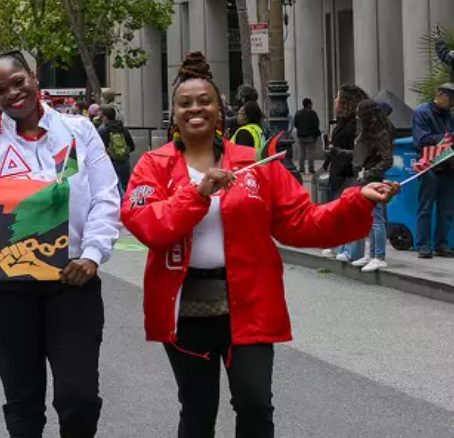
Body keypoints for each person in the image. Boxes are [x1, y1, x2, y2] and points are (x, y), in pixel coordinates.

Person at [121, 51, 397, 438]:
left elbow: (301, 221)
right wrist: (197, 194)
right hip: (185, 311)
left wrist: (357, 200)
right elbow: (147, 225)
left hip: (250, 303)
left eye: (204, 101)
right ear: (174, 115)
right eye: (185, 103)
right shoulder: (153, 165)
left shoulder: (254, 163)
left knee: (255, 403)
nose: (195, 108)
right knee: (197, 409)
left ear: (220, 110)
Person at [0, 50, 120, 438]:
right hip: (4, 286)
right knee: (23, 401)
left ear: (33, 77)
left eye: (18, 82)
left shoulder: (80, 131)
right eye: (1, 89)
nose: (13, 94)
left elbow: (106, 197)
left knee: (80, 397)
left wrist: (92, 256)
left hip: (72, 281)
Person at [344, 100, 395, 272]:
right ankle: (372, 253)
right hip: (365, 177)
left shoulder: (381, 134)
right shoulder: (368, 131)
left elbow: (387, 160)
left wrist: (368, 173)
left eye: (359, 112)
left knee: (376, 218)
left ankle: (379, 256)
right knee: (370, 217)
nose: (357, 115)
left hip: (373, 178)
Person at [323, 85, 368, 263]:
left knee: (348, 210)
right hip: (337, 169)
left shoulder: (355, 123)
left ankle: (350, 250)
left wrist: (337, 151)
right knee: (337, 209)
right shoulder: (341, 121)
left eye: (338, 97)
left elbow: (357, 150)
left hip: (348, 171)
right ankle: (339, 245)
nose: (335, 101)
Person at [412, 83, 454, 259]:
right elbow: (421, 139)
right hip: (428, 164)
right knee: (426, 206)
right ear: (441, 96)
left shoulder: (448, 115)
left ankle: (441, 244)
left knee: (446, 208)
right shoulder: (422, 112)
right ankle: (423, 245)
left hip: (447, 164)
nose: (452, 104)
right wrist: (448, 138)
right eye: (451, 100)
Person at [98, 107, 136, 195]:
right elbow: (132, 146)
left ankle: (120, 201)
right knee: (126, 185)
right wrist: (122, 152)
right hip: (125, 160)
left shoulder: (103, 130)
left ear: (105, 118)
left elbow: (99, 148)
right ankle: (127, 201)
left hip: (111, 161)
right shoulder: (123, 129)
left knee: (115, 186)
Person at [292, 98, 322, 175]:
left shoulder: (298, 113)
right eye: (311, 103)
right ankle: (311, 169)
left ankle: (301, 169)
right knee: (311, 153)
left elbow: (295, 124)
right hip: (311, 136)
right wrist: (315, 134)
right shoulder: (313, 113)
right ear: (309, 104)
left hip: (301, 136)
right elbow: (316, 124)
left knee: (302, 153)